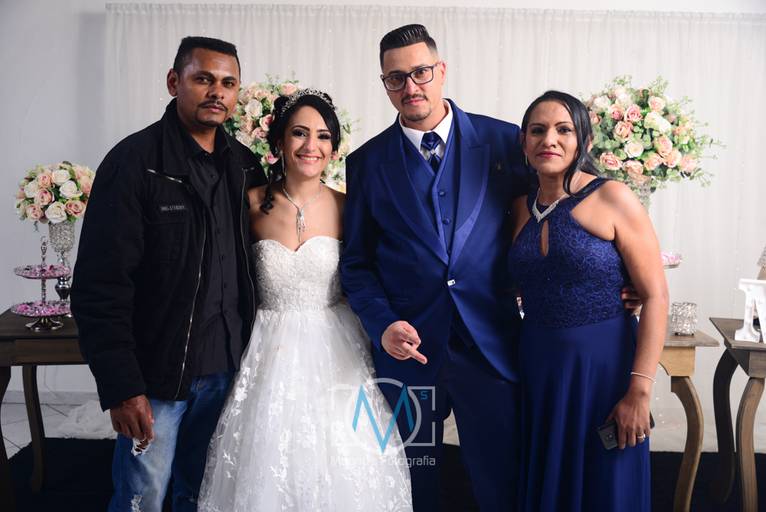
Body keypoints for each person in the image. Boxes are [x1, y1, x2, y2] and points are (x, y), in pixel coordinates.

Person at [340, 24, 532, 510]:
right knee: (411, 482)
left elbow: (554, 209)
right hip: (409, 353)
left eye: (420, 72)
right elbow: (357, 263)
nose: (410, 87)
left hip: (489, 343)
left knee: (501, 480)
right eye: (396, 78)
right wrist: (382, 325)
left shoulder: (504, 140)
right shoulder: (366, 163)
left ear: (441, 70)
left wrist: (614, 275)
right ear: (385, 84)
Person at [71, 36, 266, 511]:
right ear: (174, 82)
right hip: (159, 377)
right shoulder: (134, 163)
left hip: (229, 371)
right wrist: (122, 387)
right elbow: (100, 286)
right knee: (143, 498)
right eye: (203, 79)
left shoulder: (245, 166)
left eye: (228, 83)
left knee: (201, 495)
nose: (216, 92)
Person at [197, 89, 413, 512]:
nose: (311, 145)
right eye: (299, 133)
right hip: (266, 347)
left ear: (333, 147)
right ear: (279, 141)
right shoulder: (250, 204)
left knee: (339, 456)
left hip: (335, 346)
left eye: (322, 136)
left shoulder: (348, 207)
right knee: (265, 459)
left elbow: (370, 273)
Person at [508, 90, 668, 511]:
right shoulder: (519, 208)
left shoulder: (612, 197)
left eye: (564, 130)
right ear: (524, 141)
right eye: (538, 130)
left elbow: (656, 295)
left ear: (585, 140)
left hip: (603, 371)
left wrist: (639, 391)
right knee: (549, 482)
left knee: (605, 485)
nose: (550, 139)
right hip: (539, 369)